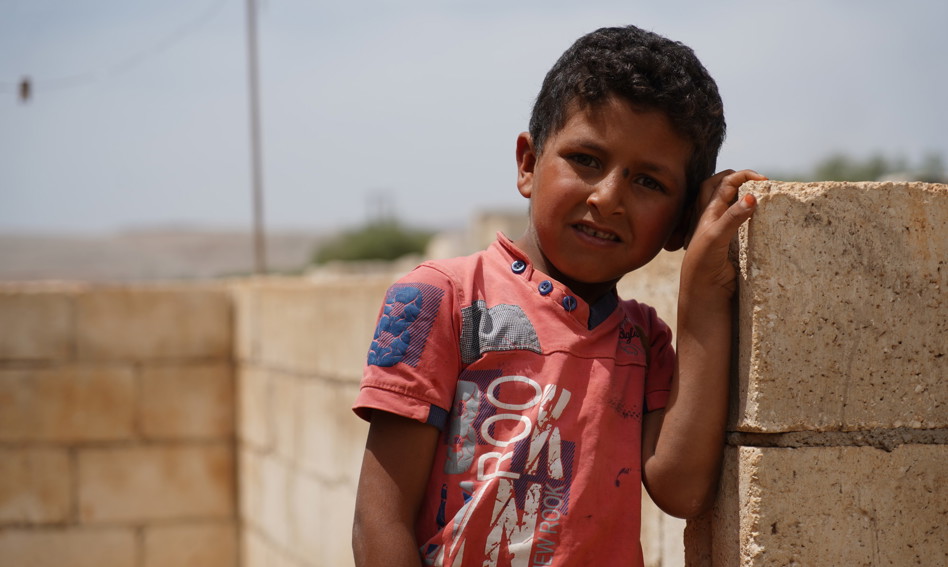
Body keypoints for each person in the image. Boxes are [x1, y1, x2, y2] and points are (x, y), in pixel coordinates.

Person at [351, 24, 766, 566]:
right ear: (528, 164)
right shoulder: (442, 300)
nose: (608, 198)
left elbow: (682, 489)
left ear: (679, 223)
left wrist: (703, 300)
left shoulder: (644, 341)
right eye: (586, 160)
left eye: (649, 183)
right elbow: (378, 522)